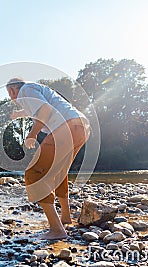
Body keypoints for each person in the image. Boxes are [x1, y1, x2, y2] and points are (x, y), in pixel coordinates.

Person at [6, 78, 90, 240]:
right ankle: (66, 218)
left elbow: (44, 110)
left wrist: (32, 134)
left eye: (9, 95)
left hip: (67, 126)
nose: (12, 99)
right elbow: (39, 108)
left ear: (12, 91)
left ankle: (57, 230)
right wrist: (19, 114)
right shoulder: (35, 90)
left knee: (33, 173)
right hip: (81, 126)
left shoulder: (25, 90)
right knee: (59, 172)